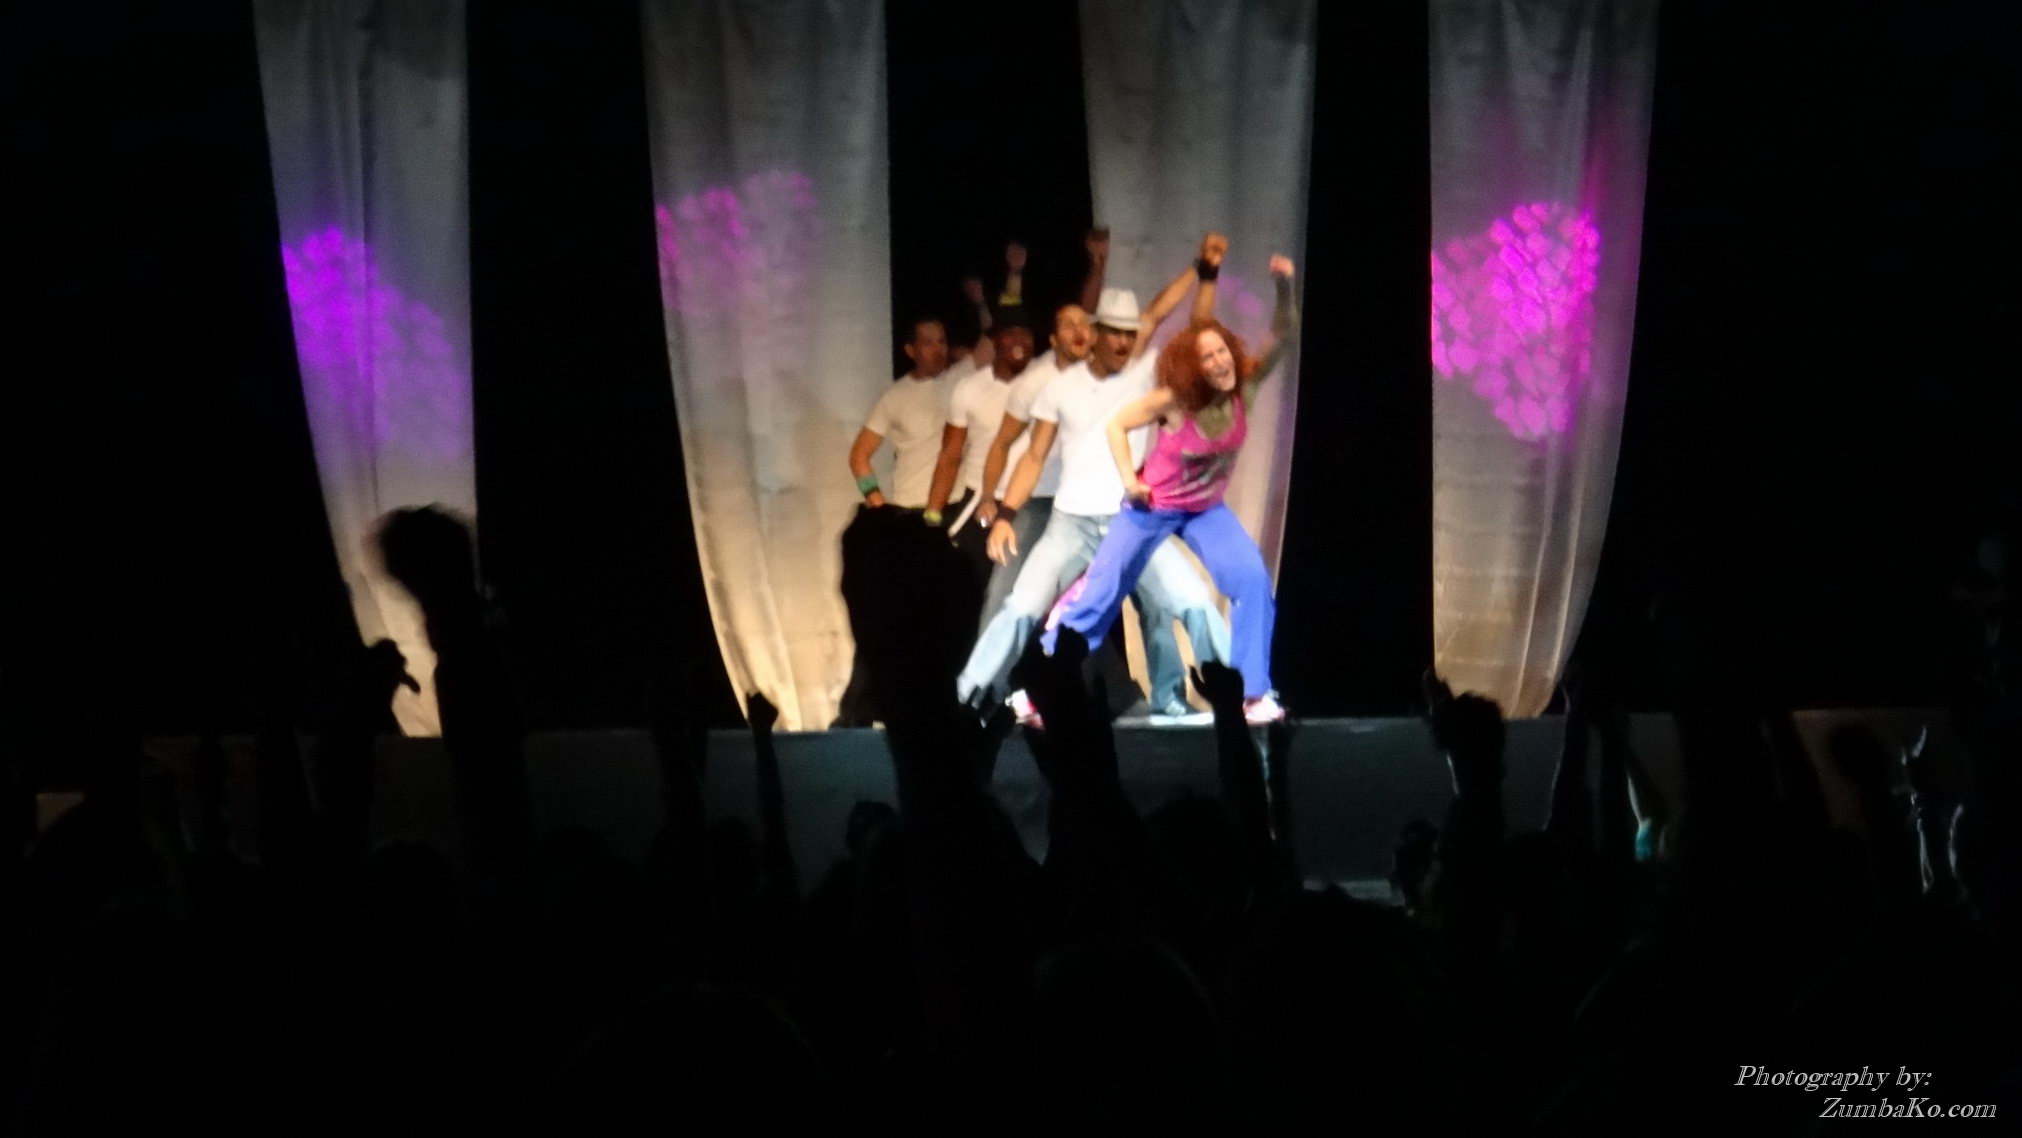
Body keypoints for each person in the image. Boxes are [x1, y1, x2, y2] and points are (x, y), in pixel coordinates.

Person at [957, 234, 1235, 725]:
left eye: (1131, 334)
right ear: (1096, 333)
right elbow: (1033, 456)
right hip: (1071, 525)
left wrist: (1204, 273)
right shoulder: (1057, 387)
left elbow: (1181, 321)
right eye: (1116, 334)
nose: (1125, 342)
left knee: (1191, 600)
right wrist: (1005, 514)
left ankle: (1237, 696)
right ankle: (968, 698)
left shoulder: (1147, 375)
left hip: (1134, 522)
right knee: (1020, 608)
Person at [1043, 252, 1298, 725]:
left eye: (1222, 351)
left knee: (1251, 580)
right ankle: (1041, 688)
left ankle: (1252, 694)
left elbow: (1283, 334)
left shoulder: (1244, 388)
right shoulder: (1175, 400)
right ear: (1193, 367)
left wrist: (1283, 285)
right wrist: (1129, 481)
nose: (1219, 362)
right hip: (1152, 509)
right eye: (1207, 357)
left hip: (1205, 511)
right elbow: (1118, 425)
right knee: (1101, 594)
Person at [925, 309, 1035, 588]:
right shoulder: (970, 388)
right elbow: (950, 455)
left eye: (1025, 333)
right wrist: (933, 513)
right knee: (973, 586)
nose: (1019, 341)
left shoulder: (1044, 381)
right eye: (1010, 333)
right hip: (981, 502)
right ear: (995, 339)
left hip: (1032, 503)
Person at [848, 317, 955, 511]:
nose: (938, 350)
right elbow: (858, 456)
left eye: (942, 342)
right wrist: (877, 504)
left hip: (956, 504)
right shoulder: (894, 397)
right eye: (928, 343)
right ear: (911, 350)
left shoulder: (960, 384)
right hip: (914, 505)